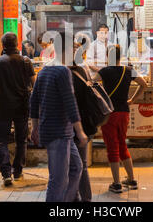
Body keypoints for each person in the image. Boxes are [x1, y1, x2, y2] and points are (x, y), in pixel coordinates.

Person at [30, 31, 88, 202]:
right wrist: (81, 131)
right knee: (58, 179)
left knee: (76, 168)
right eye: (75, 49)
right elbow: (70, 103)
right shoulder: (62, 71)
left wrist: (35, 127)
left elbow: (34, 101)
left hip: (60, 131)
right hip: (58, 132)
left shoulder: (45, 69)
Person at [93, 44, 147, 193]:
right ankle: (131, 179)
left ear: (107, 56)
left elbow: (90, 84)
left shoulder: (104, 71)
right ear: (120, 55)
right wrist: (133, 99)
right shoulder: (128, 70)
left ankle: (116, 183)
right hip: (124, 112)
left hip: (109, 113)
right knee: (122, 143)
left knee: (112, 147)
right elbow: (144, 84)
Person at [0, 33, 36, 186]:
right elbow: (34, 83)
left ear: (3, 45)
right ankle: (18, 171)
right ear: (17, 44)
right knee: (21, 139)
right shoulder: (26, 61)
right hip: (22, 106)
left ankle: (6, 174)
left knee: (2, 140)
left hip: (4, 106)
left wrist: (0, 85)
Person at [69, 41, 94, 202]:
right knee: (81, 165)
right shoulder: (84, 70)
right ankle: (83, 198)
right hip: (84, 122)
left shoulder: (65, 72)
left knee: (73, 166)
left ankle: (77, 197)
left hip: (73, 124)